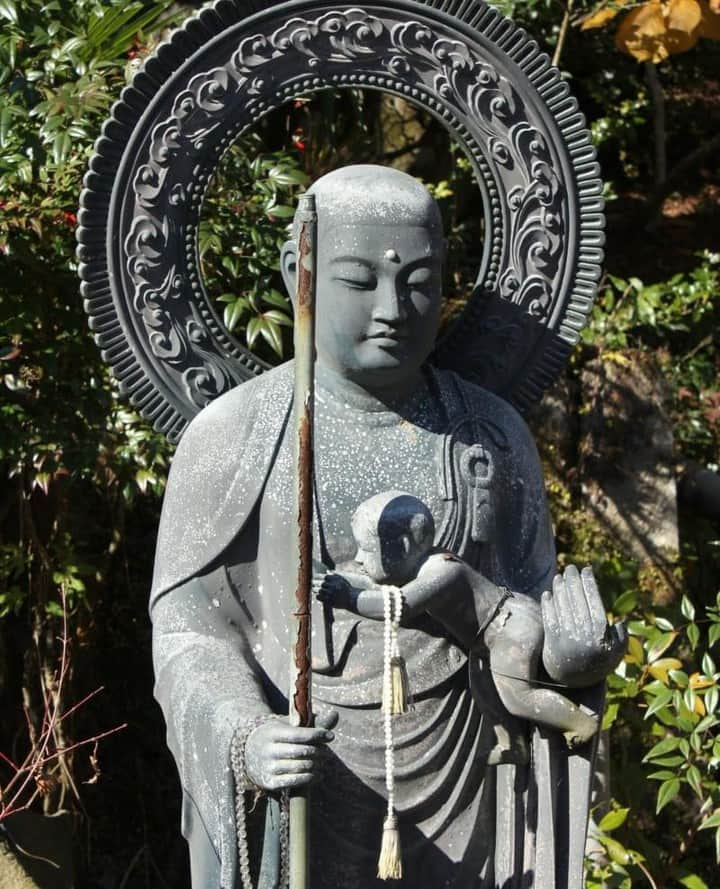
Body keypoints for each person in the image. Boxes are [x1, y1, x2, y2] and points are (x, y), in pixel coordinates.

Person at [149, 165, 626, 888]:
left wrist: (568, 654)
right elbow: (189, 630)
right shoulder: (235, 435)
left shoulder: (488, 437)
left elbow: (525, 610)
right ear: (297, 271)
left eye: (419, 281)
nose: (393, 306)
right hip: (307, 776)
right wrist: (245, 735)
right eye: (357, 278)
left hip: (470, 776)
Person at [318, 490, 606, 762]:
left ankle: (580, 723)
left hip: (508, 630)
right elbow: (378, 589)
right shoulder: (418, 569)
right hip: (493, 635)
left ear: (405, 546)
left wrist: (348, 598)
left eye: (366, 549)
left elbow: (398, 605)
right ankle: (513, 745)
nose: (358, 558)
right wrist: (339, 581)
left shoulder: (443, 571)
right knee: (485, 691)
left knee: (518, 697)